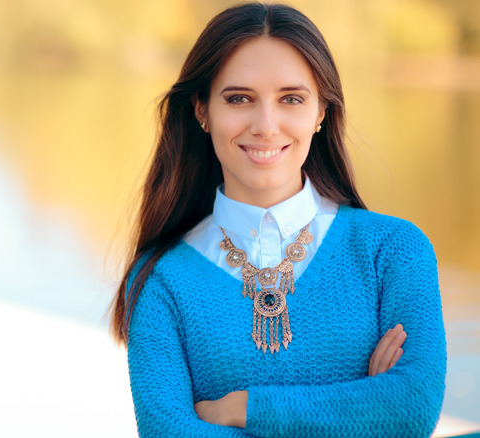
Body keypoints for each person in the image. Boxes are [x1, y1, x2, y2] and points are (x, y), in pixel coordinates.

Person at [108, 2, 446, 437]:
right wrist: (362, 410)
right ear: (202, 111)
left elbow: (411, 407)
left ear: (321, 112)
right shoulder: (161, 280)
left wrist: (247, 408)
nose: (266, 126)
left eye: (291, 99)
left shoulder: (392, 250)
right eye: (239, 98)